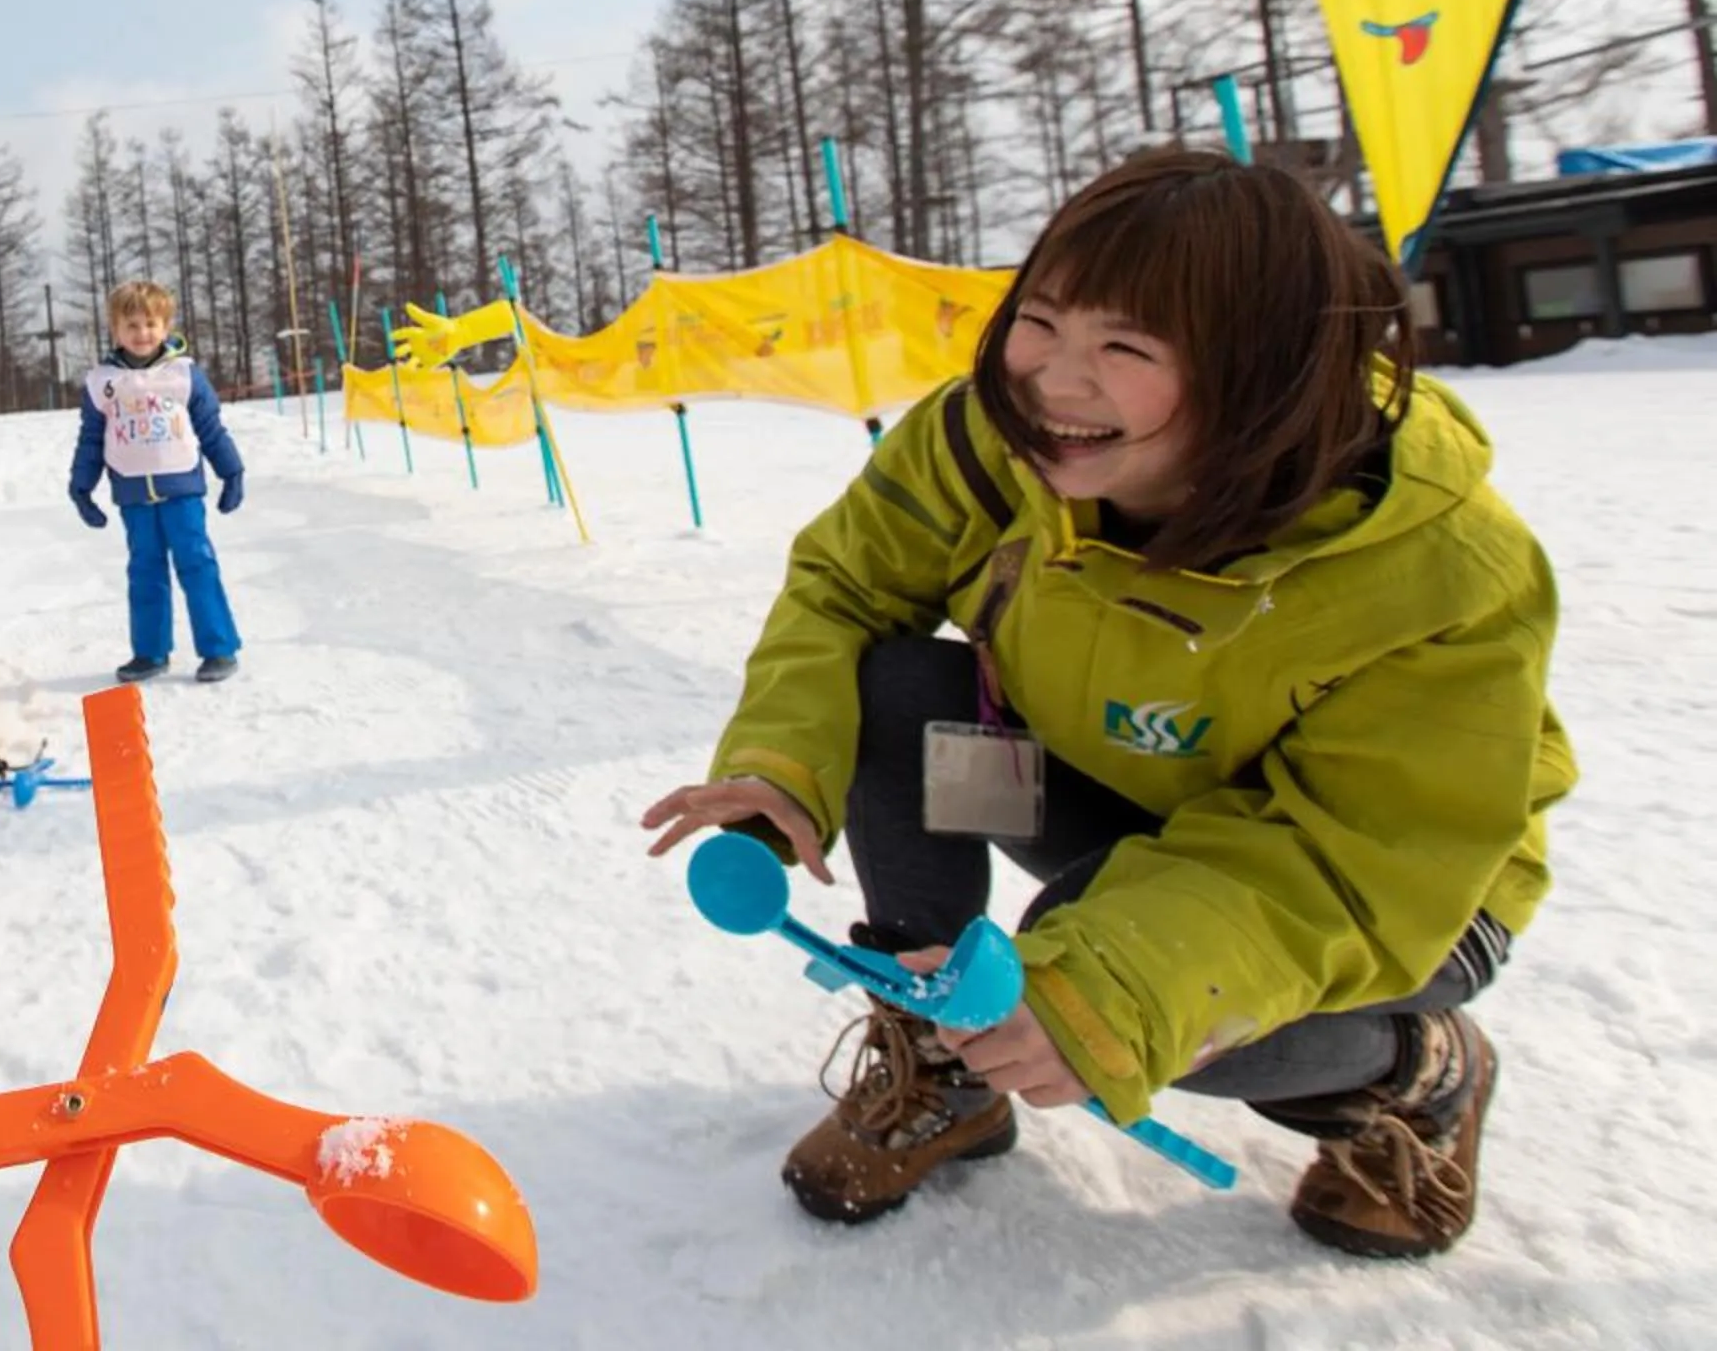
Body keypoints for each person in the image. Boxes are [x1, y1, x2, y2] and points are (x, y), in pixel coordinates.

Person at [640, 147, 1570, 1260]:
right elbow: (846, 588)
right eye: (1040, 320)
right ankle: (949, 1056)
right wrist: (781, 762)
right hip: (1114, 790)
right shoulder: (994, 439)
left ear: (1267, 372)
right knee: (894, 689)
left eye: (1125, 346)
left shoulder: (1440, 569)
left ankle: (1416, 1072)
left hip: (1402, 884)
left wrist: (1117, 989)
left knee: (1142, 1005)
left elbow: (1356, 851)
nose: (1053, 381)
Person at [68, 280, 246, 683]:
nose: (142, 333)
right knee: (144, 572)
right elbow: (91, 439)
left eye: (151, 323)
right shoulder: (103, 382)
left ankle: (219, 648)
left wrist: (231, 470)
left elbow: (211, 428)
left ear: (165, 327)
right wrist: (81, 486)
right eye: (131, 325)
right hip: (132, 492)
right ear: (116, 329)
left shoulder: (183, 375)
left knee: (197, 564)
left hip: (181, 489)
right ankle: (150, 652)